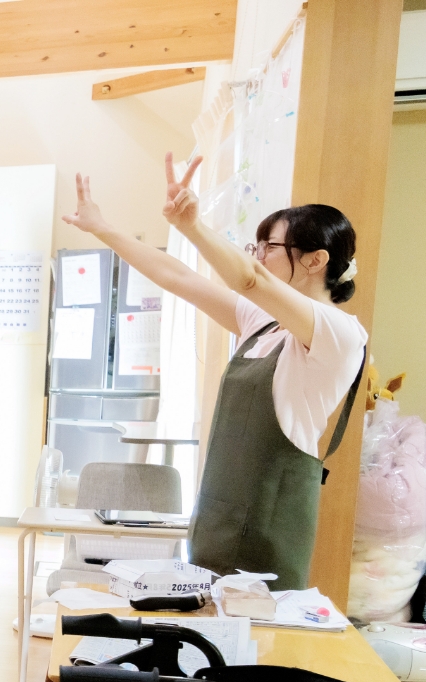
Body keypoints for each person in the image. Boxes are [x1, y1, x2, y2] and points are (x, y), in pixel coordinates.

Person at [65, 155, 366, 591]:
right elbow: (177, 276)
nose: (259, 256)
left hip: (268, 529)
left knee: (254, 653)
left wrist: (192, 226)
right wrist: (102, 228)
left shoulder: (338, 333)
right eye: (256, 247)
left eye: (269, 247)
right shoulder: (263, 322)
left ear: (316, 261)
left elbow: (250, 280)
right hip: (217, 517)